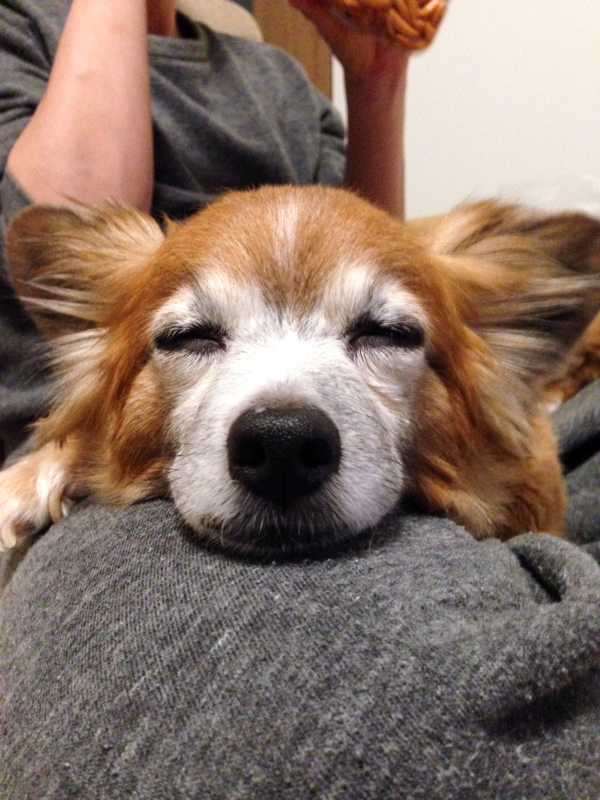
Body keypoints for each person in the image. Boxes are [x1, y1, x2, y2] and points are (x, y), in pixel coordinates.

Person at [1, 2, 599, 798]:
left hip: (412, 472)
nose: (285, 425)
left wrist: (377, 83)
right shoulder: (24, 25)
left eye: (385, 332)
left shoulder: (276, 74)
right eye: (192, 335)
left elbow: (369, 249)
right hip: (124, 489)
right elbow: (52, 213)